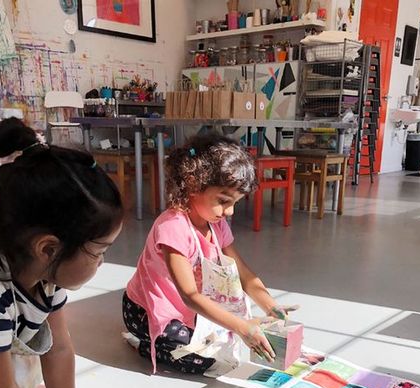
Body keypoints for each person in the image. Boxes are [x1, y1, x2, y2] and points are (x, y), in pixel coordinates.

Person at [0, 117, 123, 388]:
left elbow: (59, 349)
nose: (102, 262)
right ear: (48, 248)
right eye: (99, 251)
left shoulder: (47, 277)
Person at [123, 134, 295, 374]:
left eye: (235, 202)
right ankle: (143, 343)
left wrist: (269, 304)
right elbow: (190, 295)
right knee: (201, 359)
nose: (230, 211)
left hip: (183, 310)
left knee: (216, 339)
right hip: (143, 310)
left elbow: (242, 272)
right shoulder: (172, 227)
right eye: (224, 201)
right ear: (193, 184)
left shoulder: (216, 224)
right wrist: (243, 328)